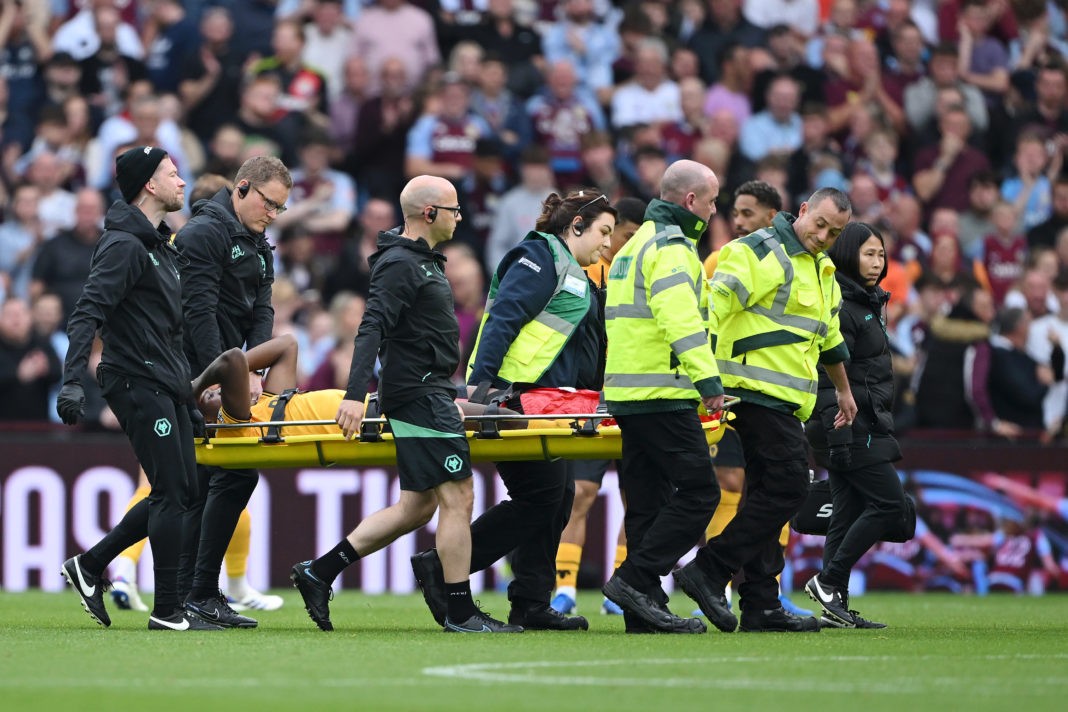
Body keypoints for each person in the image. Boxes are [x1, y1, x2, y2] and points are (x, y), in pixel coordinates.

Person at [289, 175, 520, 633]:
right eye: (453, 209)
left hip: (425, 389)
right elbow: (370, 327)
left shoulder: (421, 260)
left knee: (417, 506)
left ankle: (319, 571)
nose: (460, 217)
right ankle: (460, 611)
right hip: (419, 393)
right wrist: (355, 395)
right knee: (459, 495)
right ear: (429, 213)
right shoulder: (400, 263)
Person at [409, 188, 616, 632]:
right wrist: (483, 387)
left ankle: (530, 602)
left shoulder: (576, 272)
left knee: (554, 497)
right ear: (575, 225)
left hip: (549, 403)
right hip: (515, 398)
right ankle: (442, 570)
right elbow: (504, 317)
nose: (608, 243)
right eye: (603, 231)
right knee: (543, 497)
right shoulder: (539, 256)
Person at [673, 187, 857, 634]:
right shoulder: (756, 251)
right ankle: (709, 570)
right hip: (750, 391)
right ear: (804, 210)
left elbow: (829, 338)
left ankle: (760, 603)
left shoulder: (823, 270)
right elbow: (712, 310)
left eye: (834, 233)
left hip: (786, 401)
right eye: (820, 225)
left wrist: (844, 392)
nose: (823, 236)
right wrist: (704, 378)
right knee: (791, 487)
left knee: (767, 495)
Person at [56, 146, 221, 631]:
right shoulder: (125, 246)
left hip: (161, 381)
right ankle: (169, 610)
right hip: (134, 379)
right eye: (173, 174)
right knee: (173, 491)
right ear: (149, 184)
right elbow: (88, 312)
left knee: (185, 489)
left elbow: (165, 331)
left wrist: (184, 395)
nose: (182, 182)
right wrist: (71, 382)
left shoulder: (156, 245)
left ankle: (91, 565)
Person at [599, 159, 724, 635]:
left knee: (647, 503)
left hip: (629, 392)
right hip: (662, 391)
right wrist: (709, 382)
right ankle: (635, 580)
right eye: (711, 202)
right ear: (690, 201)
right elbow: (681, 323)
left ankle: (642, 612)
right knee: (699, 492)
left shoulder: (635, 246)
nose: (714, 211)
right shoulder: (672, 247)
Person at [174, 155, 293, 629]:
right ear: (242, 189)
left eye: (280, 209)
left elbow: (261, 310)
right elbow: (196, 313)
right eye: (269, 204)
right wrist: (219, 376)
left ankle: (194, 592)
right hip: (193, 372)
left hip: (227, 372)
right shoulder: (203, 234)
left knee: (211, 481)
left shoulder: (260, 244)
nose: (273, 215)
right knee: (216, 479)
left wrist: (256, 363)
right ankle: (195, 591)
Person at [700, 179, 812, 617]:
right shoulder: (722, 258)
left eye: (748, 213)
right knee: (745, 486)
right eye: (735, 213)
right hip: (734, 390)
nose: (738, 220)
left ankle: (765, 594)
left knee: (765, 491)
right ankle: (716, 577)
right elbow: (706, 317)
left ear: (773, 216)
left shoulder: (798, 261)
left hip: (782, 391)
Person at [802, 222, 905, 629]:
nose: (877, 262)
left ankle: (834, 603)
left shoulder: (866, 301)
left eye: (880, 254)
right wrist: (840, 432)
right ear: (847, 253)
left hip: (861, 419)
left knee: (847, 510)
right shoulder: (843, 303)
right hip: (849, 421)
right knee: (889, 504)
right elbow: (829, 373)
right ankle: (828, 581)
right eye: (868, 254)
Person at [550, 196, 646, 617]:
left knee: (637, 495)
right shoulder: (584, 270)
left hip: (636, 393)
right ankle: (564, 586)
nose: (625, 244)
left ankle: (620, 585)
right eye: (624, 235)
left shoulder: (646, 274)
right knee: (581, 492)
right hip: (589, 396)